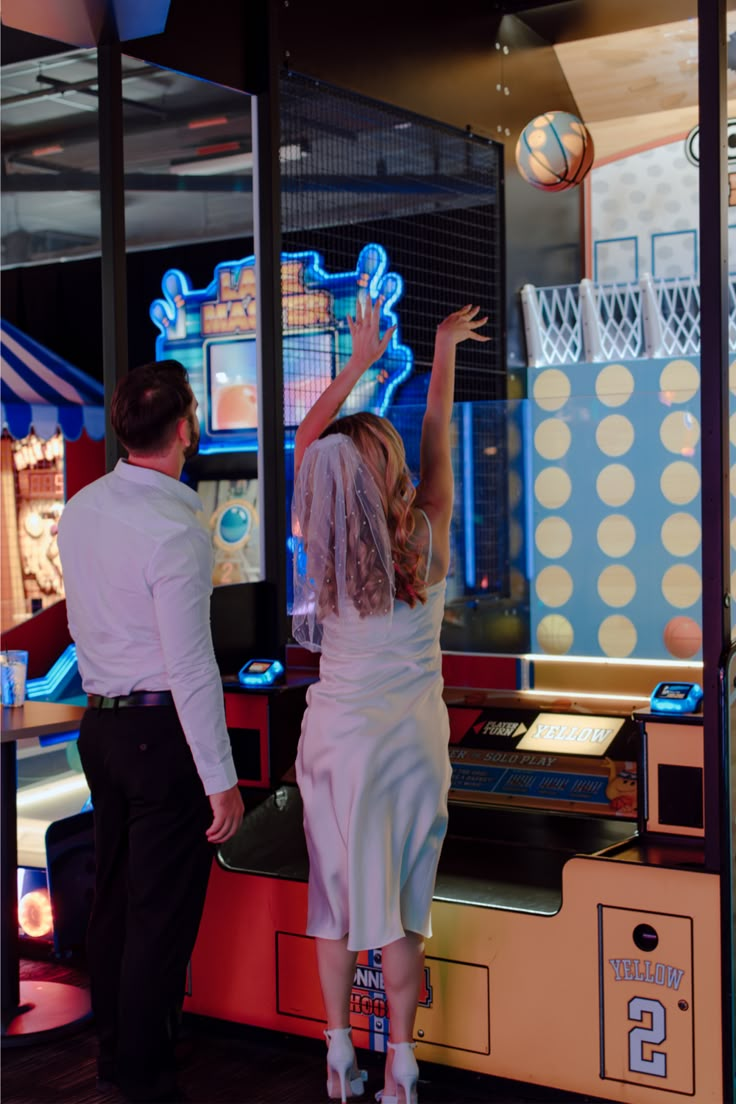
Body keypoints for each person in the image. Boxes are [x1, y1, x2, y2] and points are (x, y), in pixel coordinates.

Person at [291, 298, 488, 1104]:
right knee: (403, 909)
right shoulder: (430, 537)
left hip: (338, 741)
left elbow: (305, 440)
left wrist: (358, 362)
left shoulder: (322, 540)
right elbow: (438, 427)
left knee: (336, 900)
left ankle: (339, 1052)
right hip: (411, 743)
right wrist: (440, 349)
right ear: (393, 473)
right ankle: (402, 1065)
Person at [57, 359, 244, 1104]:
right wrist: (221, 780)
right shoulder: (177, 528)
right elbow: (192, 668)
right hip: (160, 735)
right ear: (185, 428)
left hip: (99, 728)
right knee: (157, 915)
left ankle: (115, 1058)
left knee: (113, 903)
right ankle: (143, 1077)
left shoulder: (83, 508)